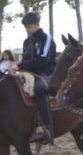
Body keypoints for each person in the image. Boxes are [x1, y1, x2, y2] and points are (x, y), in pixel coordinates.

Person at [10, 12, 56, 142]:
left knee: (39, 89)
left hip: (46, 72)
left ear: (37, 25)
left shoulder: (46, 38)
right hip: (29, 73)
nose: (27, 29)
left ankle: (47, 128)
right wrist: (17, 68)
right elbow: (25, 60)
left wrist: (20, 65)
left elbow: (43, 59)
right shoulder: (26, 41)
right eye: (25, 27)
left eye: (29, 27)